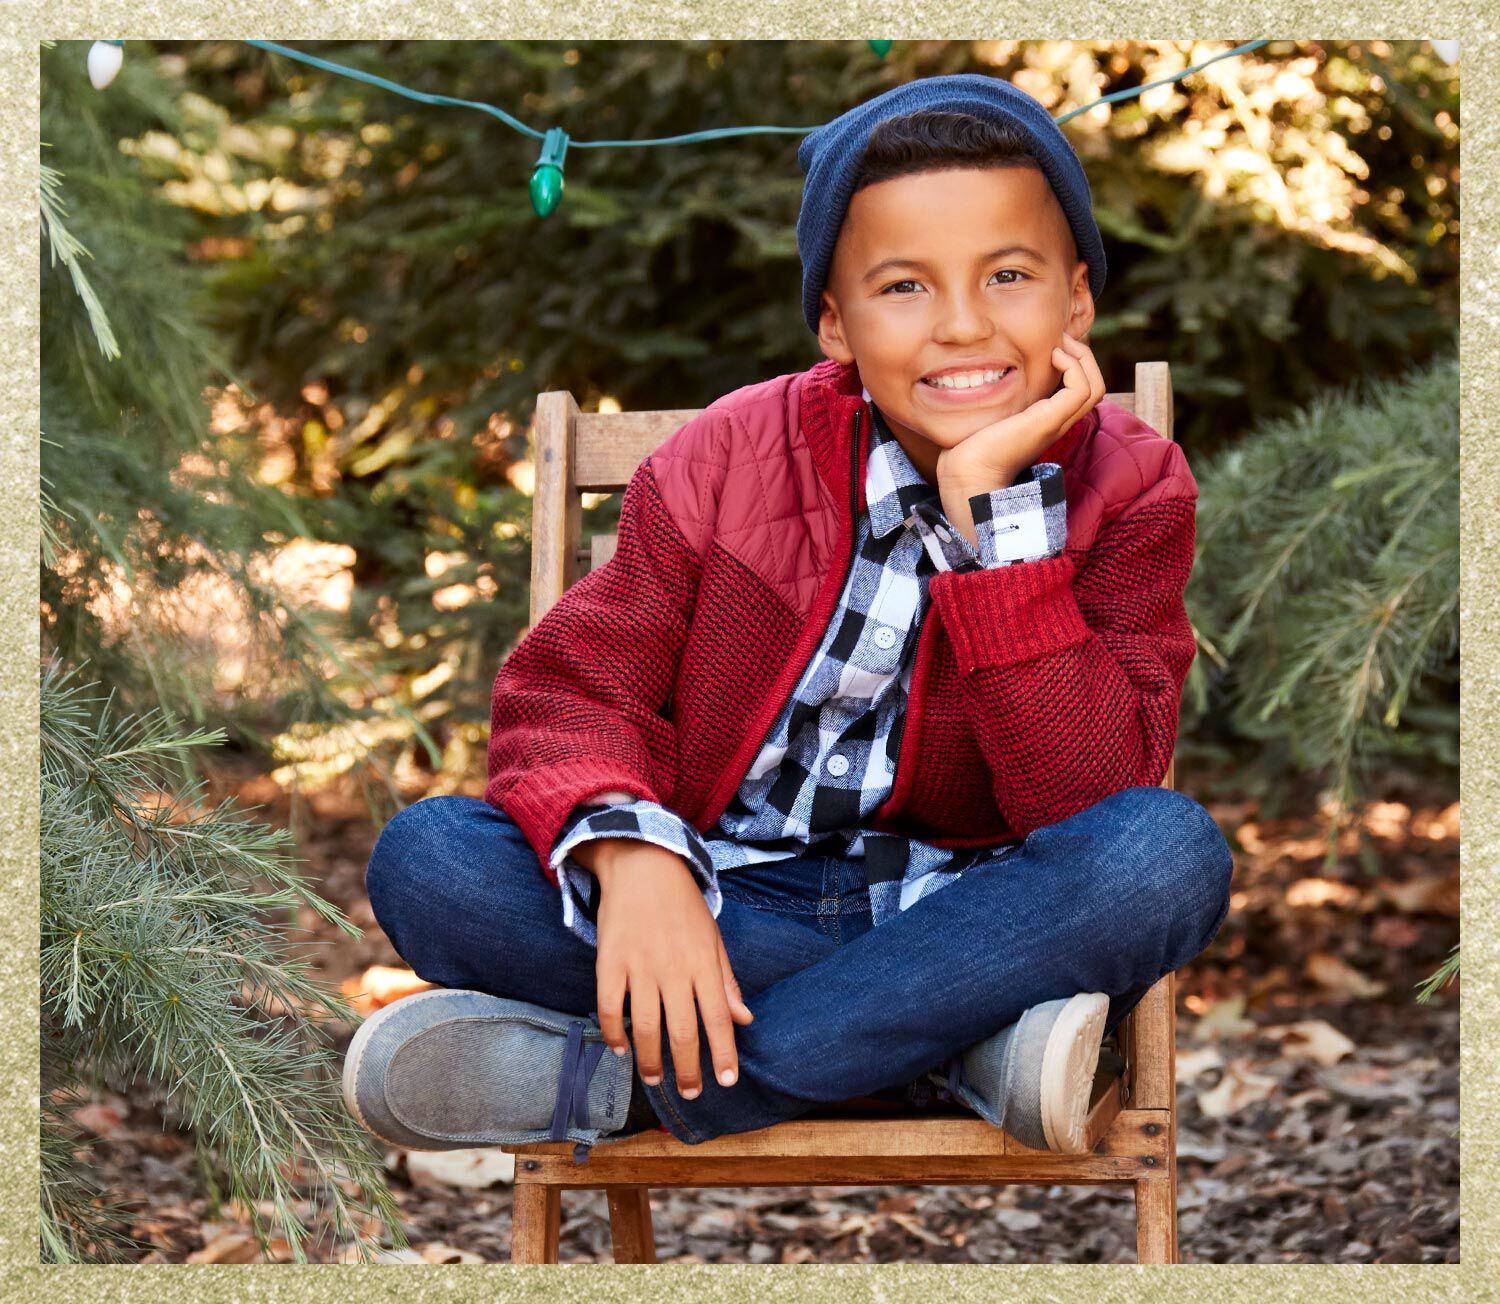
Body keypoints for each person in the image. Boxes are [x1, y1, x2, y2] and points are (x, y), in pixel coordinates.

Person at [342, 73, 1234, 1165]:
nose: (963, 324)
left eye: (1009, 275)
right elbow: (575, 689)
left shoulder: (1133, 487)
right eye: (903, 286)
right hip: (727, 901)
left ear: (1077, 300)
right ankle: (950, 1050)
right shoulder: (729, 457)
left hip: (964, 906)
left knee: (1161, 854)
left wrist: (1005, 529)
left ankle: (630, 1088)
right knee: (430, 859)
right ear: (835, 323)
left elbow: (1088, 796)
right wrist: (634, 858)